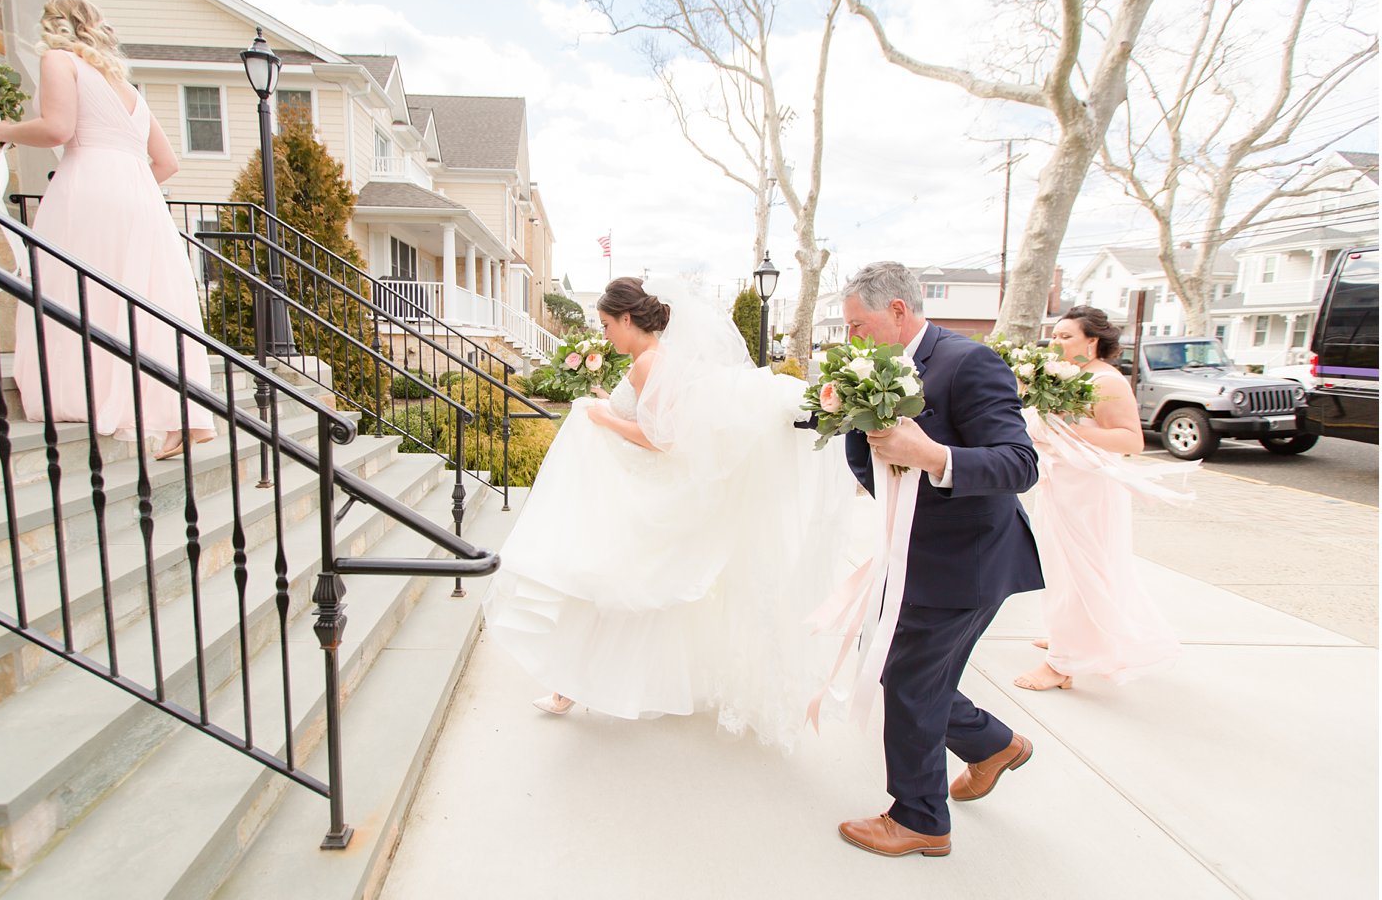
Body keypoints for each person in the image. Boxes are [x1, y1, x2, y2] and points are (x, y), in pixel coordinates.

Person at [480, 275, 862, 750]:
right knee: (612, 587)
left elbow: (662, 439)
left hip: (643, 492)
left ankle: (570, 687)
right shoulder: (657, 361)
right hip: (637, 488)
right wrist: (607, 406)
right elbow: (653, 418)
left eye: (606, 323)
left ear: (626, 319)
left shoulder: (649, 362)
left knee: (610, 583)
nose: (605, 334)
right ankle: (570, 687)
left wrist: (601, 418)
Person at [828, 262, 1043, 859]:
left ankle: (921, 819)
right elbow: (860, 449)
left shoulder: (968, 363)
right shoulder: (878, 366)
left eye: (858, 325)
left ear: (898, 310)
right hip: (913, 549)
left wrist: (931, 456)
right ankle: (993, 746)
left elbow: (1020, 465)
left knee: (911, 682)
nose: (853, 340)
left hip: (966, 559)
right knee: (908, 674)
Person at [0, 0, 214, 459]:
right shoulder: (127, 89)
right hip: (140, 197)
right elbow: (167, 163)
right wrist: (129, 186)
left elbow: (57, 129)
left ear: (56, 26)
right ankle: (182, 413)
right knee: (144, 303)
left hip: (88, 188)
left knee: (76, 291)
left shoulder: (58, 60)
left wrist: (1, 129)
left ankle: (86, 394)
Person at [1014, 306, 1181, 691]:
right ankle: (1069, 639)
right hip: (1062, 485)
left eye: (1066, 336)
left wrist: (1064, 434)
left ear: (1092, 341)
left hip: (1089, 491)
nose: (1056, 342)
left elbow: (1130, 440)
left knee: (1081, 570)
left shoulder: (1107, 381)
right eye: (1054, 335)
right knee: (1060, 568)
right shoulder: (1068, 377)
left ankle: (1063, 666)